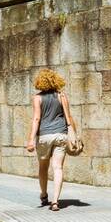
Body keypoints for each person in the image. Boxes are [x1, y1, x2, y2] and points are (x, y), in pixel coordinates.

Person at [25, 69, 77, 211]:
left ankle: (43, 195)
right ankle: (55, 201)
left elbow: (36, 119)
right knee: (58, 167)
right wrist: (74, 135)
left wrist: (30, 140)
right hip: (61, 135)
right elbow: (69, 117)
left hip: (44, 136)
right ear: (55, 80)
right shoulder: (62, 96)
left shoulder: (37, 98)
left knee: (43, 167)